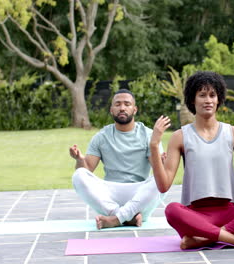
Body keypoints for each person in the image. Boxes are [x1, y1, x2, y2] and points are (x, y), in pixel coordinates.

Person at [149, 71, 234, 249]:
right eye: (202, 95)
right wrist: (154, 146)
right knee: (172, 210)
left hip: (228, 212)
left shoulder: (233, 133)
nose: (208, 100)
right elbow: (164, 186)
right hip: (196, 215)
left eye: (212, 95)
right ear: (192, 100)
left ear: (219, 99)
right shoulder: (180, 137)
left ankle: (204, 239)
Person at [69, 89, 164, 229]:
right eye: (118, 104)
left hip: (139, 194)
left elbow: (159, 171)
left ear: (135, 109)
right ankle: (125, 217)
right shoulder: (102, 136)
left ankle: (115, 219)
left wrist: (162, 162)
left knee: (164, 178)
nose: (122, 108)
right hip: (110, 195)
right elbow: (86, 170)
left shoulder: (149, 135)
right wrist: (78, 159)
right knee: (78, 175)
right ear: (111, 110)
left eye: (127, 104)